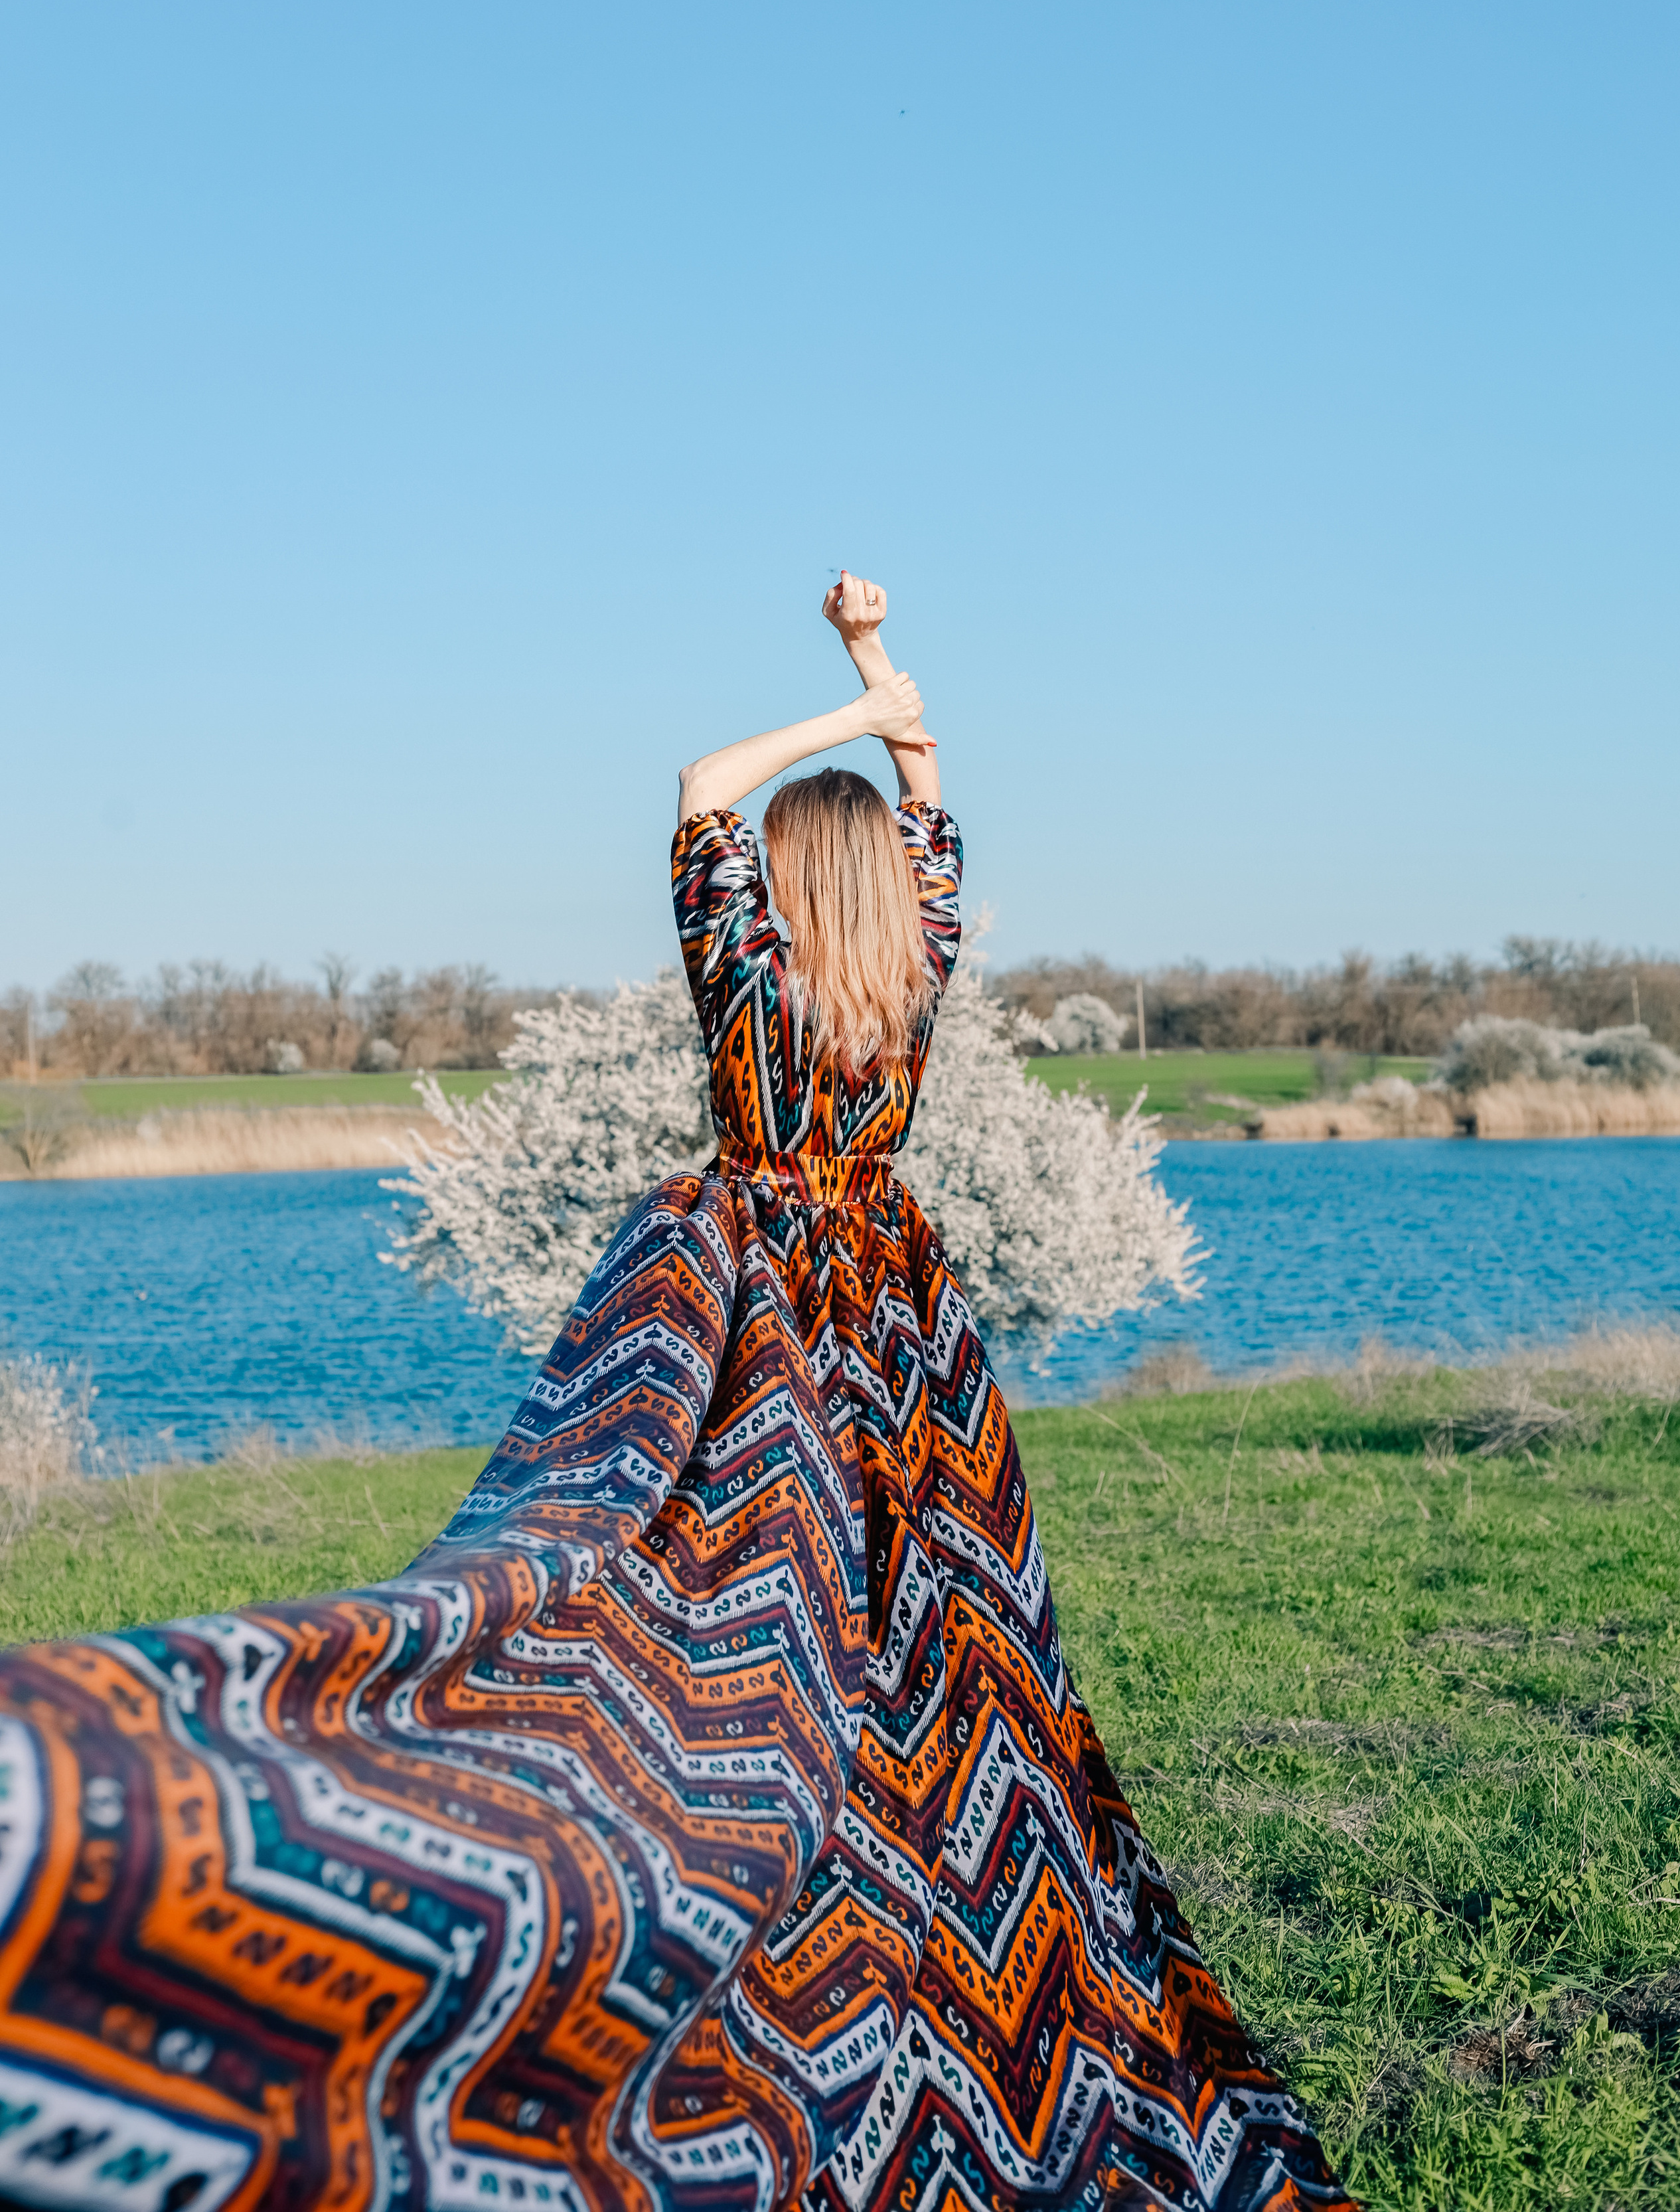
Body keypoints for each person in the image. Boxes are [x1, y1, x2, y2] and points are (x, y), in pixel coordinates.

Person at [0, 578, 1354, 2212]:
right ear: (890, 889)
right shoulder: (914, 970)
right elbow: (936, 813)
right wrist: (878, 674)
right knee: (932, 1635)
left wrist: (850, 704)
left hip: (756, 1304)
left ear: (781, 879)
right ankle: (926, 1891)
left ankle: (733, 1856)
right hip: (902, 1319)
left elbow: (706, 785)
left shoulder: (744, 964)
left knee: (688, 1602)